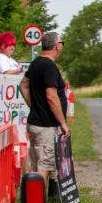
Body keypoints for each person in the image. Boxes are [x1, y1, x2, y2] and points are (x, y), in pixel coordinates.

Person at [19, 32, 69, 191]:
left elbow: (23, 85)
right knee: (44, 165)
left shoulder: (35, 63)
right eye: (62, 42)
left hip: (34, 122)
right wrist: (62, 122)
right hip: (46, 125)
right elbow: (52, 97)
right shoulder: (49, 66)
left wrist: (34, 105)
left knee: (35, 164)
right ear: (57, 46)